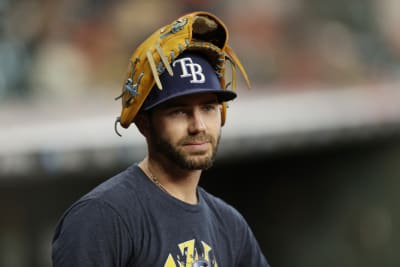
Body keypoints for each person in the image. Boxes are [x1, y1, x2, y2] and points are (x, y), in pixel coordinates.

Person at [52, 11, 269, 267]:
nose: (198, 125)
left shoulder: (230, 226)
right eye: (179, 111)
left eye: (208, 108)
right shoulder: (102, 217)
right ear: (144, 123)